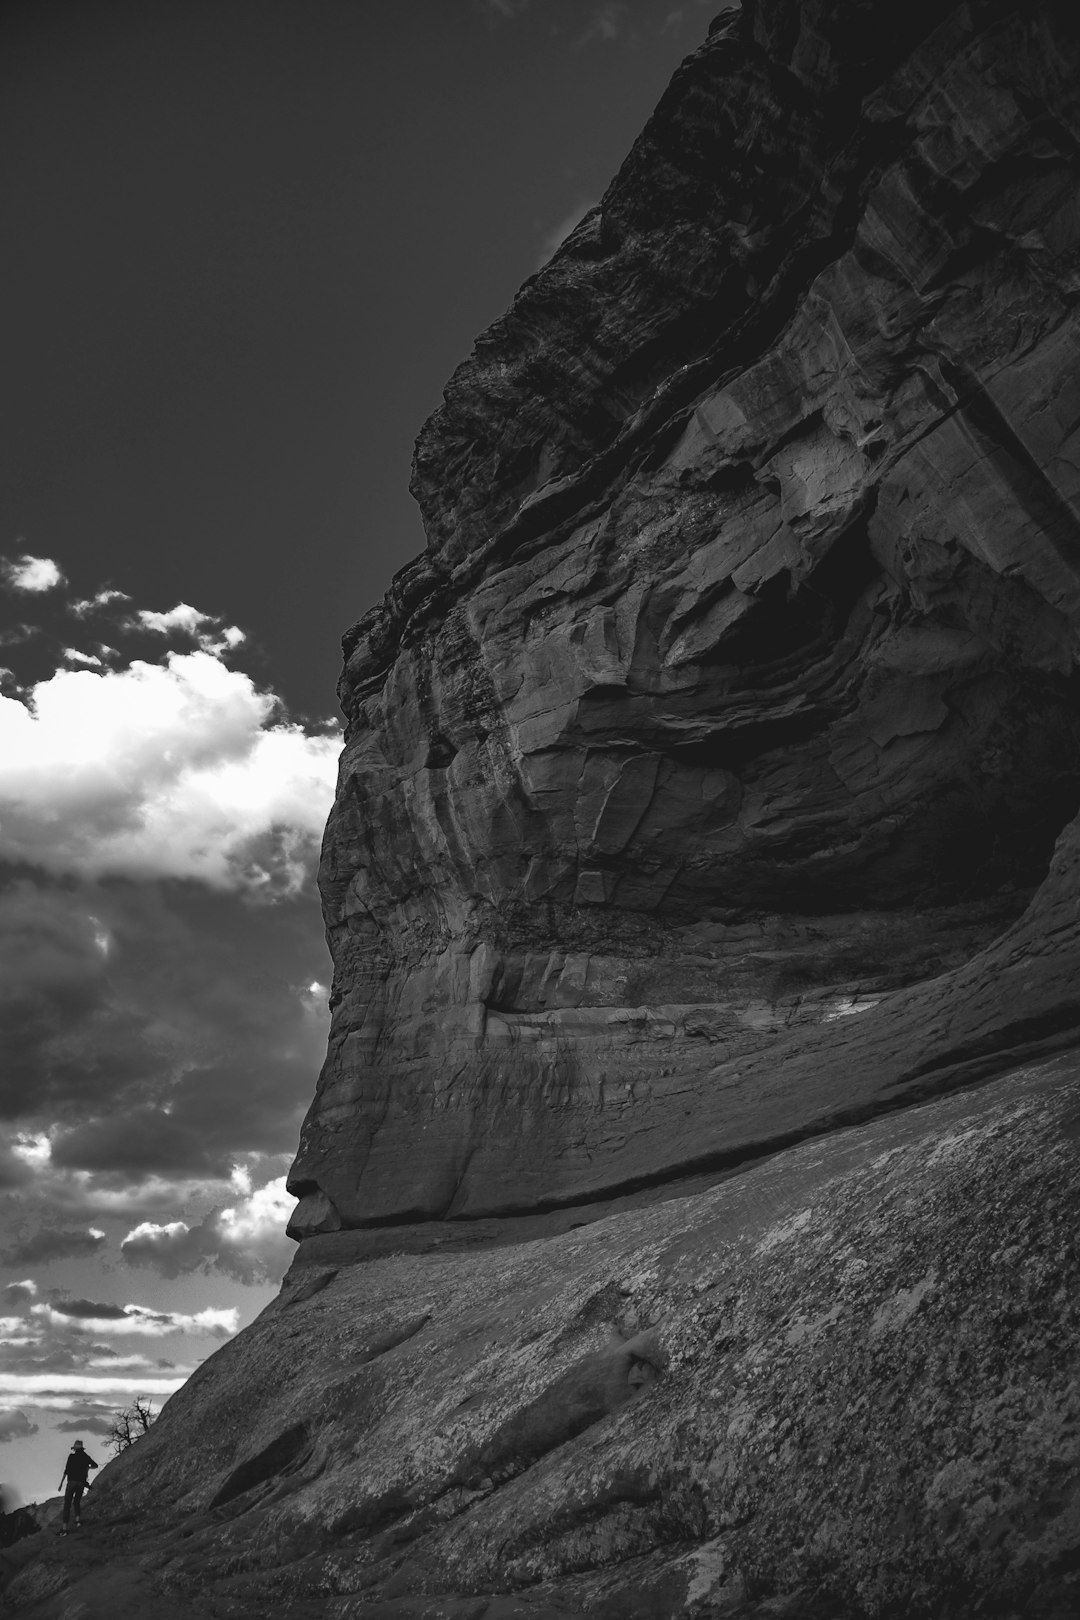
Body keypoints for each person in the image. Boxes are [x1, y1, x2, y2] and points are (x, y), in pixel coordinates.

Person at [58, 1440, 97, 1534]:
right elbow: (95, 1465)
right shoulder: (85, 1457)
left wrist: (61, 1483)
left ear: (75, 1449)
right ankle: (78, 1521)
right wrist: (88, 1468)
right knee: (77, 1502)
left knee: (67, 1504)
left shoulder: (71, 1457)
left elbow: (66, 1471)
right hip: (81, 1483)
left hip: (71, 1482)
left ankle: (64, 1529)